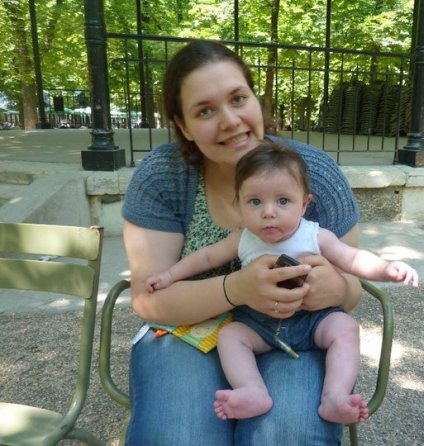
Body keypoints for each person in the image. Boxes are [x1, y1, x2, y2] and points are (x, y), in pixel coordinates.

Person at [122, 40, 368, 445]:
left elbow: (352, 287)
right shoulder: (163, 176)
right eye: (205, 111)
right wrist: (236, 288)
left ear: (256, 99)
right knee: (178, 437)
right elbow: (148, 299)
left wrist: (337, 288)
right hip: (186, 331)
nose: (230, 121)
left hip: (295, 331)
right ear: (182, 125)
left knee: (287, 435)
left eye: (238, 99)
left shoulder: (312, 173)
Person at [145, 142, 419, 425]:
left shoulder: (316, 235)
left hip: (312, 319)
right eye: (255, 202)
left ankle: (335, 396)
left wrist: (387, 269)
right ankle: (252, 390)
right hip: (258, 322)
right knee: (230, 336)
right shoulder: (243, 238)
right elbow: (205, 257)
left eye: (283, 201)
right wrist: (170, 275)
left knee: (346, 327)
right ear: (238, 204)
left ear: (304, 204)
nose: (268, 212)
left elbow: (352, 259)